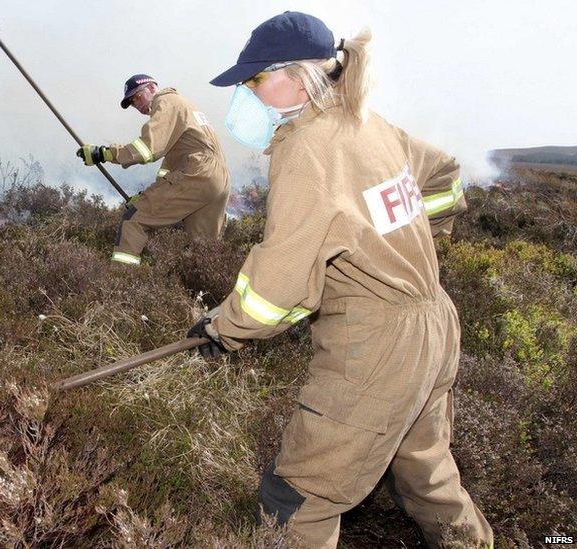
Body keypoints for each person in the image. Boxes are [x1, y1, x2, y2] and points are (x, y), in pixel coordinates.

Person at [186, 11, 493, 548]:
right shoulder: (367, 122)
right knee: (428, 474)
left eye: (255, 79)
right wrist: (420, 236)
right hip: (435, 325)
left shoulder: (307, 147)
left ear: (296, 74)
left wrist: (221, 329)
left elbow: (277, 288)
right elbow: (444, 174)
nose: (246, 92)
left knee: (298, 499)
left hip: (376, 351)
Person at [77, 74, 230, 266]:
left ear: (151, 88)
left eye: (137, 97)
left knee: (133, 221)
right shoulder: (185, 106)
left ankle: (119, 285)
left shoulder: (166, 101)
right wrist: (147, 195)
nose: (137, 105)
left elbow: (147, 149)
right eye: (132, 103)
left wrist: (104, 153)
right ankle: (206, 292)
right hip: (217, 179)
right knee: (204, 249)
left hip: (197, 173)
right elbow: (169, 172)